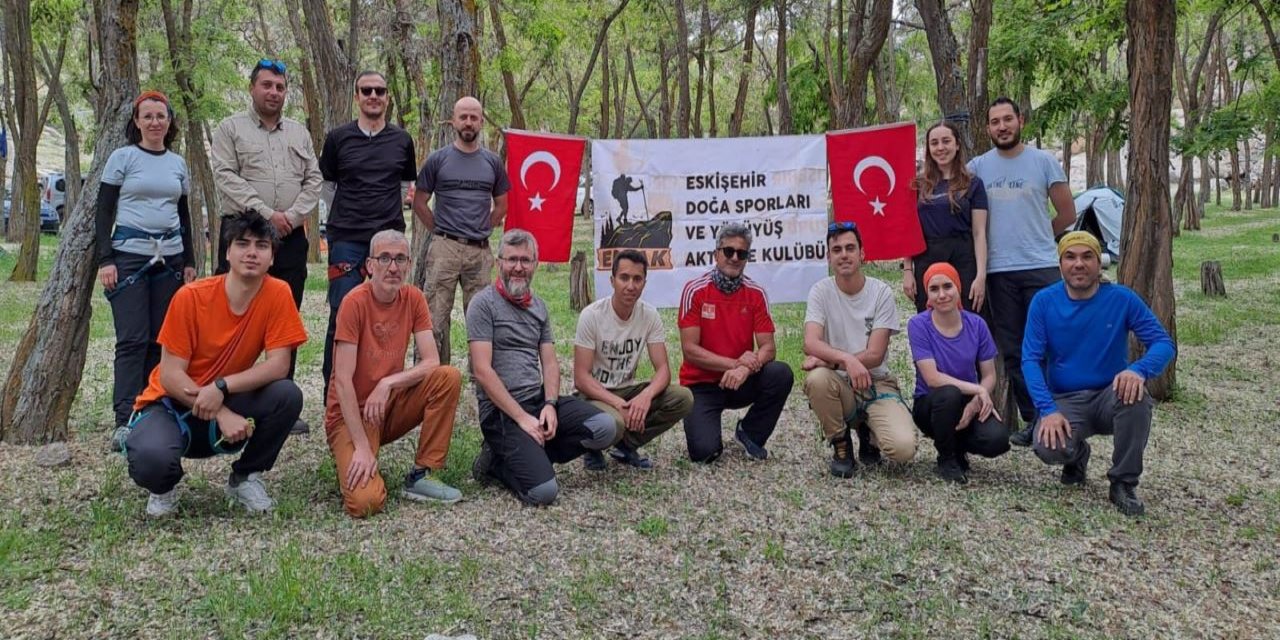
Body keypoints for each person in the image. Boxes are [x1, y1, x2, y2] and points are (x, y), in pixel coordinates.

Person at [124, 213, 307, 517]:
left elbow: (278, 365)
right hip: (172, 403)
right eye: (242, 243)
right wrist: (219, 411)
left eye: (262, 245)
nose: (251, 252)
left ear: (272, 257)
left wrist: (222, 388)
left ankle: (245, 477)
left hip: (225, 397)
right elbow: (170, 375)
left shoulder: (278, 293)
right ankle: (164, 487)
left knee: (287, 395)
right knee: (151, 460)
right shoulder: (191, 297)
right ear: (227, 252)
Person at [1024, 232, 1175, 517]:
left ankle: (1123, 482)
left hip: (1110, 395)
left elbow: (1163, 343)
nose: (1078, 264)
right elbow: (1030, 360)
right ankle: (1077, 456)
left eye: (1086, 256)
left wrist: (1139, 370)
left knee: (1137, 397)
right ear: (1060, 265)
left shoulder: (1121, 299)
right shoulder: (1044, 302)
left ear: (1099, 263)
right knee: (1048, 447)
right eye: (1070, 257)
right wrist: (1048, 410)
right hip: (1066, 398)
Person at [211, 58, 322, 435]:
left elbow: (314, 178)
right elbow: (225, 175)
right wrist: (264, 216)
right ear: (252, 87)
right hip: (243, 233)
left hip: (290, 236)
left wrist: (291, 216)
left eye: (279, 86)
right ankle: (221, 399)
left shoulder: (299, 133)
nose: (274, 92)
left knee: (285, 317)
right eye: (267, 85)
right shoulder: (230, 129)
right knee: (228, 316)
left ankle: (280, 402)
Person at [467, 230, 615, 506]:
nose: (518, 268)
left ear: (536, 264)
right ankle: (496, 465)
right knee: (544, 493)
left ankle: (532, 452)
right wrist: (522, 418)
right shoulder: (483, 304)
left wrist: (550, 403)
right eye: (512, 260)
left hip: (537, 401)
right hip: (502, 413)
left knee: (604, 427)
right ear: (499, 263)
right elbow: (482, 370)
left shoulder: (540, 307)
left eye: (526, 260)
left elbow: (549, 362)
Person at [326, 230, 464, 518]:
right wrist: (362, 447)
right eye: (385, 258)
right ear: (370, 265)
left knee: (447, 377)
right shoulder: (354, 302)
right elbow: (342, 381)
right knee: (365, 503)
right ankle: (354, 453)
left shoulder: (413, 298)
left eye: (400, 259)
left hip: (387, 406)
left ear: (409, 264)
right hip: (350, 414)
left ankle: (423, 473)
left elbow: (431, 361)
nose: (393, 267)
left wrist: (387, 383)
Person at [968, 97, 1076, 447]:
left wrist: (1041, 236)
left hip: (1042, 267)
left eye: (1007, 119)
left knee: (1052, 345)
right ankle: (1034, 419)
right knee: (1014, 349)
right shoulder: (978, 166)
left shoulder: (1043, 161)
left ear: (1021, 121)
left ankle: (1066, 414)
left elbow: (1067, 213)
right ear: (987, 128)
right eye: (995, 121)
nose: (1002, 126)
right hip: (999, 272)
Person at [98, 91, 197, 447]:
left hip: (169, 260)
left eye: (161, 116)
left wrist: (189, 261)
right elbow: (104, 211)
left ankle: (152, 408)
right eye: (148, 116)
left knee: (162, 341)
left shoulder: (178, 164)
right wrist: (105, 259)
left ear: (170, 122)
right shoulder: (122, 158)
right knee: (132, 340)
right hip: (130, 259)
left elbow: (183, 214)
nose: (155, 122)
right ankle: (124, 419)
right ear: (137, 121)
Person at [320, 71, 418, 396]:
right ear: (357, 96)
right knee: (342, 311)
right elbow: (328, 186)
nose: (373, 95)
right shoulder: (337, 138)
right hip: (346, 238)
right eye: (366, 90)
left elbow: (405, 186)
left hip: (389, 238)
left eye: (379, 90)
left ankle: (380, 386)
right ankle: (334, 390)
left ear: (387, 96)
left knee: (387, 312)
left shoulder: (402, 140)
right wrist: (354, 209)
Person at [802, 222, 917, 478]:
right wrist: (846, 360)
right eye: (837, 249)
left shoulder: (881, 292)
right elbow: (811, 342)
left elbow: (875, 354)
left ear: (862, 253)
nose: (844, 254)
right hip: (839, 385)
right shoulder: (820, 291)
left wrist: (830, 361)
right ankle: (841, 445)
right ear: (829, 257)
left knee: (903, 450)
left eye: (850, 248)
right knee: (817, 379)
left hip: (876, 382)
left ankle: (870, 434)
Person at [678, 223, 794, 463]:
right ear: (716, 254)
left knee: (780, 373)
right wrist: (734, 364)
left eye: (741, 253)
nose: (734, 257)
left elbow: (768, 348)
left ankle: (750, 433)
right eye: (728, 251)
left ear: (747, 258)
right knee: (704, 453)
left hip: (740, 380)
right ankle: (707, 429)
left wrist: (744, 369)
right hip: (701, 384)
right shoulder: (695, 291)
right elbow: (690, 350)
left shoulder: (756, 293)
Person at [573, 250, 693, 470]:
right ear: (612, 281)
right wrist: (619, 404)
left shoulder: (649, 315)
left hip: (628, 389)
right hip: (594, 394)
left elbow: (663, 369)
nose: (631, 286)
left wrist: (645, 397)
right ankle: (592, 446)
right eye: (624, 278)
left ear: (644, 283)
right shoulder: (592, 315)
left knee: (683, 398)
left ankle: (626, 446)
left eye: (637, 279)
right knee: (615, 422)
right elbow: (581, 378)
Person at [414, 96, 510, 366]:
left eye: (474, 117)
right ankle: (432, 375)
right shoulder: (438, 159)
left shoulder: (492, 162)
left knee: (480, 318)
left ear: (481, 121)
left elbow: (502, 205)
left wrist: (484, 226)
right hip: (444, 248)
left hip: (478, 251)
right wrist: (440, 231)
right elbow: (420, 202)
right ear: (453, 121)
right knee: (433, 317)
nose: (468, 122)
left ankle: (480, 377)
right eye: (463, 117)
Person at [907, 262, 1010, 484]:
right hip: (932, 403)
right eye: (934, 289)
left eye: (948, 286)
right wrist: (979, 390)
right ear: (927, 294)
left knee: (997, 440)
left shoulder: (977, 324)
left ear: (958, 288)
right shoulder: (918, 324)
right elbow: (932, 378)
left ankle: (957, 446)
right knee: (949, 394)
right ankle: (946, 457)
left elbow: (989, 374)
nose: (942, 294)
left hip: (967, 399)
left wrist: (975, 402)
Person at [902, 121, 989, 313]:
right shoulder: (917, 184)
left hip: (964, 260)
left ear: (957, 145)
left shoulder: (974, 184)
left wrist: (981, 276)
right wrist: (908, 270)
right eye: (934, 143)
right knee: (930, 318)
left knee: (967, 317)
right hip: (927, 258)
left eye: (946, 141)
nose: (940, 147)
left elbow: (979, 232)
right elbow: (909, 229)